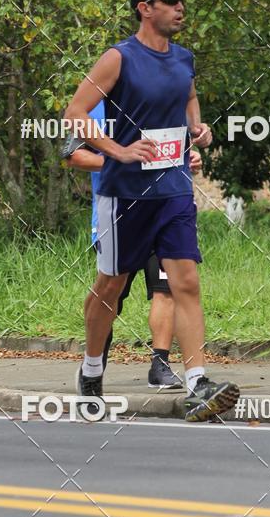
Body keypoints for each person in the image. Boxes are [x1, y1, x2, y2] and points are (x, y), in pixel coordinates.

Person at [63, 0, 240, 422]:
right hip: (125, 195)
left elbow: (188, 101)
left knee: (185, 282)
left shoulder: (184, 59)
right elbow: (75, 114)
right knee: (111, 286)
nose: (181, 7)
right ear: (145, 8)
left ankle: (198, 383)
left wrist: (198, 132)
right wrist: (117, 150)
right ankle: (91, 368)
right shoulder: (118, 58)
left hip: (174, 188)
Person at [64, 99, 203, 388]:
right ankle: (94, 364)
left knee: (168, 289)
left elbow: (180, 151)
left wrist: (190, 159)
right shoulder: (96, 109)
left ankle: (160, 366)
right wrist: (122, 160)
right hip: (119, 212)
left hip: (164, 209)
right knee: (111, 292)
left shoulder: (165, 107)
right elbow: (73, 156)